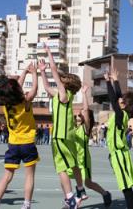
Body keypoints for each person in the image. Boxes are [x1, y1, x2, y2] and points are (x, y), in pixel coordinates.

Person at [40, 45, 86, 209]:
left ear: (67, 84)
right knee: (73, 165)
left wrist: (49, 53)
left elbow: (54, 71)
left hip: (60, 136)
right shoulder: (64, 95)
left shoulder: (64, 94)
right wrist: (42, 71)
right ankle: (80, 190)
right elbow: (46, 87)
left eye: (64, 79)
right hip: (69, 136)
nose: (61, 79)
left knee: (61, 169)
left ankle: (70, 198)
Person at [0, 62, 40, 209]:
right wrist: (34, 73)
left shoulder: (7, 105)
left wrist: (24, 72)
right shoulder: (25, 102)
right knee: (29, 176)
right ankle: (26, 204)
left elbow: (15, 87)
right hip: (28, 142)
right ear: (18, 91)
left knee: (7, 176)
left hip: (13, 144)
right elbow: (35, 89)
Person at [105, 67, 133, 209]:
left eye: (123, 101)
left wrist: (112, 81)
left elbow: (114, 99)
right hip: (118, 154)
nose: (120, 100)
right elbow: (116, 98)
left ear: (125, 105)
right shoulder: (122, 115)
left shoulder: (121, 115)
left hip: (119, 154)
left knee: (125, 185)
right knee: (125, 184)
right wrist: (111, 81)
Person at [67, 85, 112, 207]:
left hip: (83, 161)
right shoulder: (74, 128)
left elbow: (86, 110)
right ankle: (75, 203)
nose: (80, 114)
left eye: (82, 113)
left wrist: (84, 94)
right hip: (75, 160)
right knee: (80, 183)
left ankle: (104, 193)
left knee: (87, 183)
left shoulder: (85, 129)